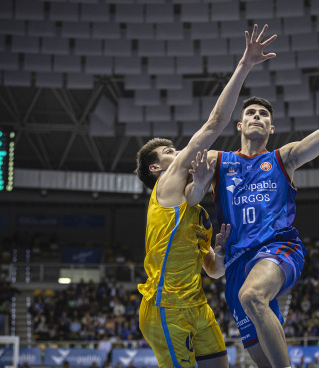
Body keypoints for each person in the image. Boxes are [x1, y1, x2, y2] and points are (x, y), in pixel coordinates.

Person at [185, 40, 319, 367]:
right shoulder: (218, 160)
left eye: (264, 114)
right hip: (236, 264)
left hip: (277, 249)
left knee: (253, 295)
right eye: (251, 113)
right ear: (240, 125)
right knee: (263, 355)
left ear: (271, 127)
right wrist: (201, 183)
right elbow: (191, 198)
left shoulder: (282, 158)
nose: (257, 117)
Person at [133, 24, 277, 368]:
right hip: (165, 307)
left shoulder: (192, 208)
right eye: (170, 150)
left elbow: (212, 271)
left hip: (196, 304)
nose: (179, 151)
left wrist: (219, 253)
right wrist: (245, 65)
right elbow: (215, 123)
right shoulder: (166, 184)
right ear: (157, 169)